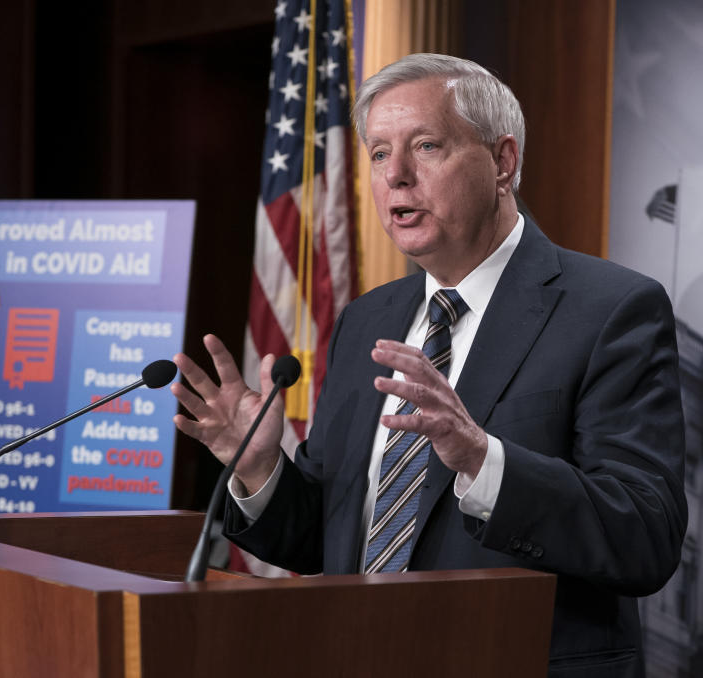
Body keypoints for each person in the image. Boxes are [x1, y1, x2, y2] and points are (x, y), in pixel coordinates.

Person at [171, 53, 686, 677]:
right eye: (380, 153)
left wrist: (481, 459)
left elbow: (646, 537)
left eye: (426, 146)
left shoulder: (610, 309)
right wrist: (261, 471)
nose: (397, 177)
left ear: (503, 161)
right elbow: (327, 540)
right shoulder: (367, 319)